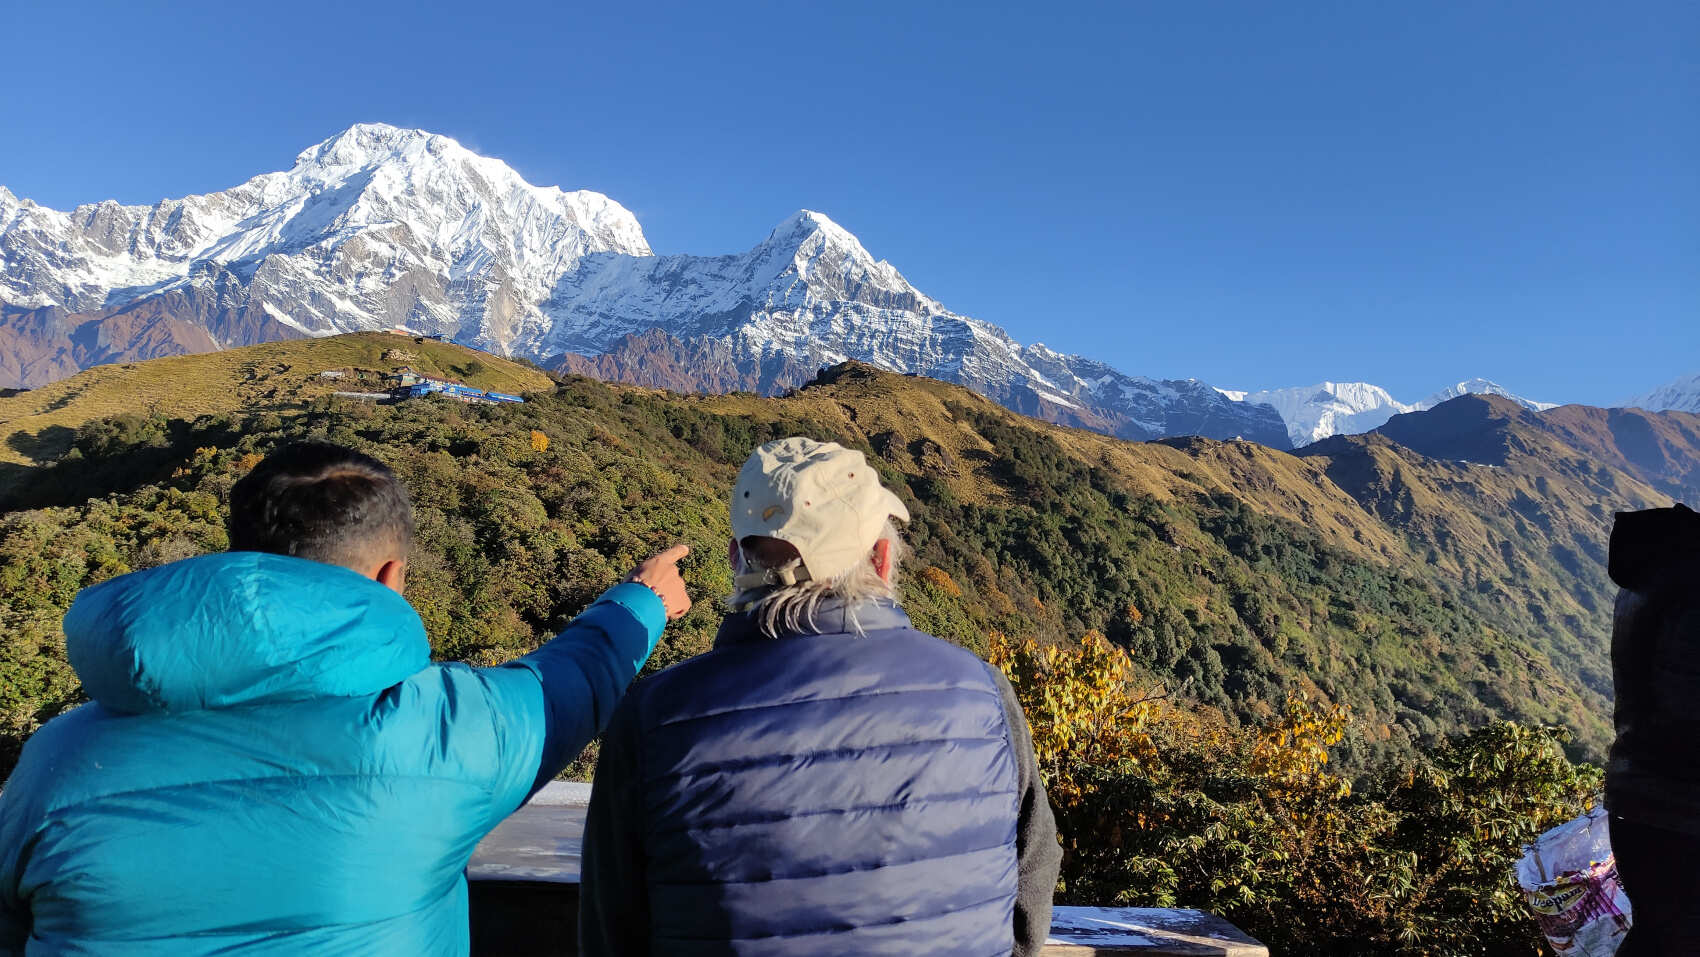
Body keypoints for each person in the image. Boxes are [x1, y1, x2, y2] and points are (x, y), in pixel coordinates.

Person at [0, 442, 690, 955]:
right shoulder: (447, 734)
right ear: (391, 574)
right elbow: (571, 682)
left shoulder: (53, 763)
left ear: (240, 552)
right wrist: (643, 599)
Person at [580, 436, 1061, 956]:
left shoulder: (653, 719)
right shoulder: (984, 694)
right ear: (881, 558)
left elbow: (611, 929)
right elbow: (1032, 875)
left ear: (735, 559)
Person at [1605, 502, 1700, 955]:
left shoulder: (1644, 586)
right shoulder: (1691, 593)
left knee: (1658, 935)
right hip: (1683, 808)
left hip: (1634, 796)